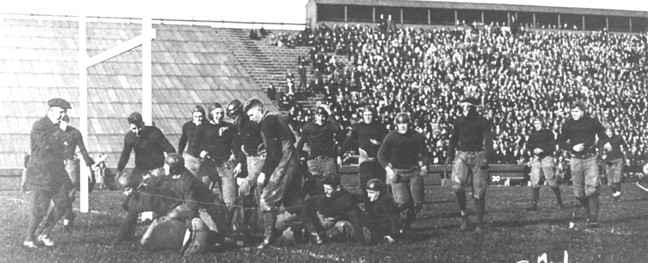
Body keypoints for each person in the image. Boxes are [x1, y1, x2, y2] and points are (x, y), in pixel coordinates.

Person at [244, 98, 309, 248]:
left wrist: (264, 173)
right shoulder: (278, 116)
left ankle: (268, 239)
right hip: (294, 161)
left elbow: (274, 153)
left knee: (267, 198)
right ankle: (312, 234)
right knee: (293, 201)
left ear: (260, 110)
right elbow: (292, 138)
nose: (251, 119)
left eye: (252, 115)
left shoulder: (267, 122)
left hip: (284, 162)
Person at [114, 112, 176, 245]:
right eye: (133, 128)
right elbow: (125, 155)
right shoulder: (129, 137)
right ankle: (126, 235)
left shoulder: (154, 132)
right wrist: (119, 170)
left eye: (139, 128)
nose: (137, 131)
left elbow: (170, 149)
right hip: (140, 171)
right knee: (131, 204)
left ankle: (165, 235)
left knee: (161, 203)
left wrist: (170, 167)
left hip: (157, 172)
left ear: (143, 123)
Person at [23, 98, 73, 248]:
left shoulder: (58, 127)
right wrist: (61, 131)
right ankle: (29, 239)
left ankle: (45, 233)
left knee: (64, 202)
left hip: (56, 172)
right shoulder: (40, 125)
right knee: (40, 208)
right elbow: (46, 146)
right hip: (41, 173)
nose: (63, 115)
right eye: (61, 111)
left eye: (64, 112)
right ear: (51, 110)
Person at [191, 102, 243, 224]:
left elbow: (237, 147)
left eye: (221, 113)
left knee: (230, 200)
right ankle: (206, 225)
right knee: (199, 194)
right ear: (211, 114)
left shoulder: (230, 127)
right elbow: (194, 148)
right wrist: (200, 153)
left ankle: (229, 226)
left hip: (226, 165)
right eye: (217, 113)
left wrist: (239, 162)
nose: (219, 116)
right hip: (208, 165)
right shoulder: (202, 128)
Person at [41, 115, 95, 233]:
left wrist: (89, 165)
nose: (61, 124)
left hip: (70, 163)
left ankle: (66, 221)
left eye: (63, 122)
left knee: (70, 193)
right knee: (59, 194)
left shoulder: (75, 133)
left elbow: (82, 149)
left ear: (67, 122)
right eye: (59, 122)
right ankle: (63, 218)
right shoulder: (54, 133)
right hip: (56, 165)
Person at [377, 112, 430, 233]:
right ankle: (392, 221)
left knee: (417, 203)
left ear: (409, 124)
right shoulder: (391, 137)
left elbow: (425, 154)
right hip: (398, 172)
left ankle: (407, 225)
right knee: (402, 203)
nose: (402, 126)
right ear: (396, 124)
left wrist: (425, 165)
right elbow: (380, 154)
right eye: (399, 123)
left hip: (414, 171)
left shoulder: (417, 136)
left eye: (405, 123)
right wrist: (388, 169)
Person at [447, 97, 493, 231]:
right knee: (457, 186)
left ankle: (479, 222)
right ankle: (464, 216)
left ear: (474, 107)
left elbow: (488, 140)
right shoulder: (459, 121)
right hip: (462, 154)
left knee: (479, 191)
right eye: (463, 106)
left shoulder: (482, 121)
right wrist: (449, 154)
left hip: (478, 155)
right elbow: (454, 138)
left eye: (468, 106)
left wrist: (487, 158)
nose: (465, 109)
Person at [559, 100, 609, 225]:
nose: (574, 114)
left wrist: (606, 142)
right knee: (579, 193)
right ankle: (587, 209)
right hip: (575, 159)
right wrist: (572, 148)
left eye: (576, 111)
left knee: (592, 189)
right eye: (572, 111)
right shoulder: (567, 124)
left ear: (583, 111)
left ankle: (594, 219)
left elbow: (602, 132)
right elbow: (561, 142)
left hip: (590, 158)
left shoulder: (592, 122)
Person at [227, 99, 265, 244]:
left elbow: (265, 140)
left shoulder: (253, 123)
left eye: (235, 116)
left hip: (259, 158)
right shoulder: (239, 126)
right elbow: (243, 146)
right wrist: (241, 162)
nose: (234, 120)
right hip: (250, 159)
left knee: (245, 190)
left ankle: (255, 229)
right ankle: (251, 229)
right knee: (252, 195)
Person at [339, 105, 388, 197]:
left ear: (373, 115)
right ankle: (368, 208)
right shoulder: (358, 127)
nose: (368, 117)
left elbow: (387, 143)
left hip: (378, 160)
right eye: (365, 115)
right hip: (364, 159)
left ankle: (380, 208)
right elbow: (348, 141)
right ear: (362, 115)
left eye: (369, 115)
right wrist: (340, 154)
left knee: (379, 185)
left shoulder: (380, 126)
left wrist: (379, 143)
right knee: (364, 185)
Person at [296, 105, 343, 195]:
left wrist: (330, 113)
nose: (321, 119)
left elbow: (338, 129)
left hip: (328, 160)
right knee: (314, 188)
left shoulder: (329, 126)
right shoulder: (309, 126)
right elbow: (301, 142)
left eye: (323, 116)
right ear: (315, 115)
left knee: (332, 186)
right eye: (319, 116)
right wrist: (300, 156)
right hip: (313, 161)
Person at [525, 117, 563, 211]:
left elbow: (552, 147)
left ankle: (559, 202)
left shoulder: (548, 133)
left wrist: (542, 150)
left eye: (538, 123)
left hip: (546, 158)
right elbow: (528, 145)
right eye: (535, 124)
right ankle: (534, 205)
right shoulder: (533, 134)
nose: (537, 125)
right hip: (536, 159)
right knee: (534, 182)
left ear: (542, 123)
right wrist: (532, 151)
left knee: (551, 182)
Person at [317, 175, 367, 244]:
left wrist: (361, 241)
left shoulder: (346, 199)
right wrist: (321, 218)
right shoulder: (328, 196)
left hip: (348, 225)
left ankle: (323, 237)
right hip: (331, 221)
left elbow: (355, 219)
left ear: (338, 188)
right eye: (324, 188)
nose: (325, 191)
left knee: (340, 227)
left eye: (328, 189)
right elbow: (320, 208)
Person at [365, 179, 399, 244]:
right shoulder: (375, 200)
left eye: (371, 193)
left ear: (379, 192)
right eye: (368, 192)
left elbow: (393, 219)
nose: (369, 195)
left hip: (383, 228)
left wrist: (393, 235)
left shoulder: (386, 202)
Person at [599, 126, 627, 202]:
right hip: (609, 162)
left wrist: (623, 149)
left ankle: (618, 196)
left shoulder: (618, 138)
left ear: (613, 131)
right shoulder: (603, 140)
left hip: (618, 160)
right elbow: (600, 150)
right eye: (607, 132)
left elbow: (625, 146)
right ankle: (615, 195)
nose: (609, 133)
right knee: (610, 183)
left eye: (610, 131)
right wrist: (602, 156)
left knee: (617, 179)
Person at [178, 105, 207, 176]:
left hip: (204, 159)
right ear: (193, 117)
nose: (198, 119)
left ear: (204, 116)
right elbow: (183, 141)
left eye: (200, 117)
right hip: (191, 158)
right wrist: (179, 154)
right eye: (196, 117)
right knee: (190, 180)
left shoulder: (208, 125)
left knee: (203, 183)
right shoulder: (187, 126)